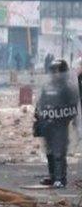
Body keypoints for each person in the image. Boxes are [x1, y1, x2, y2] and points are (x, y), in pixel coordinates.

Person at [33, 60, 78, 188]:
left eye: (57, 71)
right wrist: (38, 115)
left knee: (59, 152)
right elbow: (40, 102)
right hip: (47, 123)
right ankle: (52, 176)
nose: (54, 74)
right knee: (49, 152)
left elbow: (73, 107)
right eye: (52, 71)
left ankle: (60, 178)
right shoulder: (47, 86)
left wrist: (68, 119)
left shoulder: (68, 88)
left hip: (60, 125)